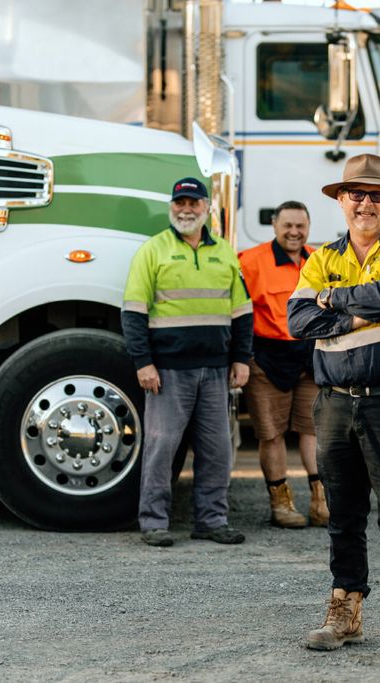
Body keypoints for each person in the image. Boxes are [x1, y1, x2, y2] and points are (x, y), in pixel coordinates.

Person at [288, 154, 380, 669]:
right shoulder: (321, 255)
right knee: (343, 516)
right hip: (333, 404)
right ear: (341, 199)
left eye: (377, 194)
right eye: (357, 194)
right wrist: (351, 314)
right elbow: (297, 318)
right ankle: (345, 611)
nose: (367, 203)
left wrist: (332, 300)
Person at [122, 176, 253, 547]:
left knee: (217, 450)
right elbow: (133, 312)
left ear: (206, 208)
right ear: (171, 207)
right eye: (180, 203)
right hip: (167, 371)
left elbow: (242, 311)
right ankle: (153, 522)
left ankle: (212, 521)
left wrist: (241, 359)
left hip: (215, 370)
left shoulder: (224, 252)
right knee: (161, 449)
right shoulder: (153, 251)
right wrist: (143, 363)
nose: (187, 209)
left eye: (194, 203)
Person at [238, 201, 328, 529]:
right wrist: (242, 356)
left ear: (308, 227)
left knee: (312, 430)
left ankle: (320, 500)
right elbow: (240, 311)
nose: (294, 232)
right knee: (271, 434)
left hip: (308, 358)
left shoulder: (317, 259)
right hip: (266, 359)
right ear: (275, 225)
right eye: (287, 225)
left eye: (300, 226)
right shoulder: (251, 261)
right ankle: (281, 503)